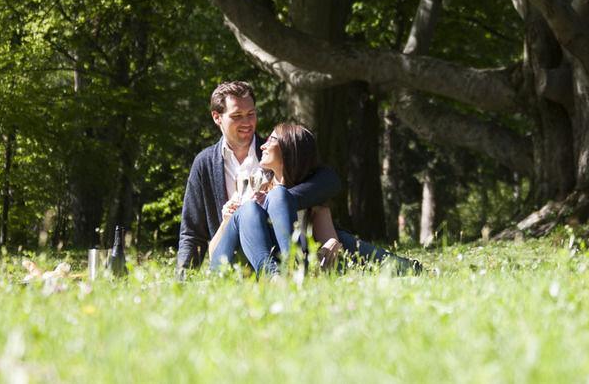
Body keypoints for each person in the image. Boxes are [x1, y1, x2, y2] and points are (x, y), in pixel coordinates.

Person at [177, 81, 419, 276]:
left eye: (251, 114)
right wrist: (182, 279)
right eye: (237, 115)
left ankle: (410, 269)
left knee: (345, 244)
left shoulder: (274, 151)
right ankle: (284, 272)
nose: (247, 122)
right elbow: (191, 231)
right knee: (251, 212)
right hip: (235, 248)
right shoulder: (205, 163)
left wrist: (278, 200)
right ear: (217, 117)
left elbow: (329, 181)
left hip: (283, 241)